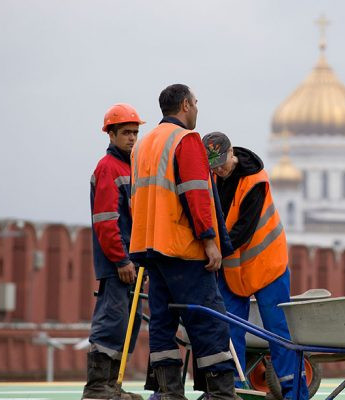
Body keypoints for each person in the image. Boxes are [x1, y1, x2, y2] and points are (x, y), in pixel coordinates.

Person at [129, 84, 239, 399]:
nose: (197, 108)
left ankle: (169, 392)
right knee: (208, 318)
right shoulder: (185, 140)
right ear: (186, 105)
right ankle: (221, 393)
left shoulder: (143, 144)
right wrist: (209, 241)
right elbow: (196, 195)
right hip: (183, 248)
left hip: (150, 248)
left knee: (162, 322)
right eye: (196, 102)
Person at [201, 132, 308, 400]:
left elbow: (243, 230)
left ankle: (294, 393)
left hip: (267, 265)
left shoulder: (255, 181)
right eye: (213, 166)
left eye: (221, 164)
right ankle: (235, 391)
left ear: (231, 153)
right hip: (234, 267)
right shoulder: (212, 179)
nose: (219, 170)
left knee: (278, 332)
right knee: (229, 329)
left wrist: (214, 250)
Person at [84, 103, 145, 400]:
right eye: (126, 133)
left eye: (135, 132)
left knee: (128, 324)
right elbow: (106, 221)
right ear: (111, 134)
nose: (132, 138)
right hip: (118, 264)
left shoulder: (132, 167)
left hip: (133, 262)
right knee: (112, 321)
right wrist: (121, 259)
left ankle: (113, 386)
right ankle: (98, 387)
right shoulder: (108, 167)